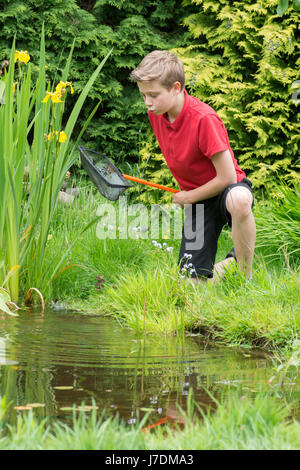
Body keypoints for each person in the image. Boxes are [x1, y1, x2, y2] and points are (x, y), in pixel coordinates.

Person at [130, 50, 256, 282]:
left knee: (239, 199)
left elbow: (228, 177)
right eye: (143, 95)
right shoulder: (157, 113)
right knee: (191, 284)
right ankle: (230, 265)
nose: (148, 103)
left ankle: (245, 277)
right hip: (199, 202)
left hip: (224, 189)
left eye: (154, 95)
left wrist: (188, 197)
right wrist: (193, 199)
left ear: (176, 87)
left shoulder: (203, 119)